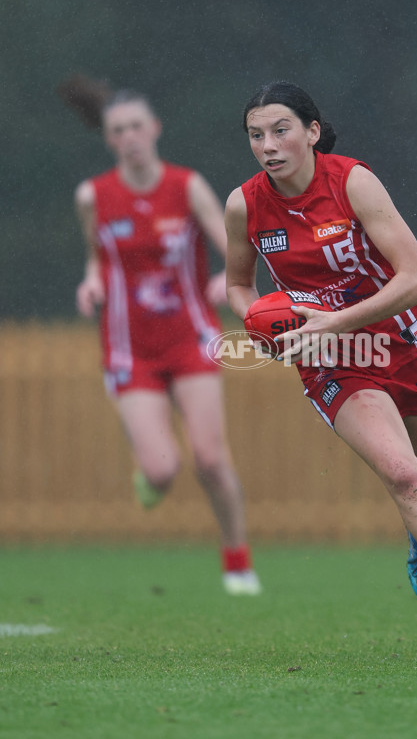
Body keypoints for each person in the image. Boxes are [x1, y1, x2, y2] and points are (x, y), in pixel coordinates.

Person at [224, 81, 417, 644]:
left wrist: (335, 318)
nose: (268, 144)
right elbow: (238, 286)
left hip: (403, 339)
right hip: (333, 358)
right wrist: (262, 322)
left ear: (312, 132)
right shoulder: (244, 204)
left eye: (281, 130)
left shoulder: (353, 181)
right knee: (404, 474)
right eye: (256, 134)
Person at [59, 75, 261, 596]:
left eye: (135, 126)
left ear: (154, 129)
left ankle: (238, 562)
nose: (128, 136)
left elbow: (230, 243)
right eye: (117, 130)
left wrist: (227, 277)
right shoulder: (93, 196)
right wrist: (90, 282)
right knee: (164, 470)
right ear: (109, 139)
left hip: (191, 339)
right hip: (130, 349)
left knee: (211, 459)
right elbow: (96, 257)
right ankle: (151, 470)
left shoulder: (185, 186)